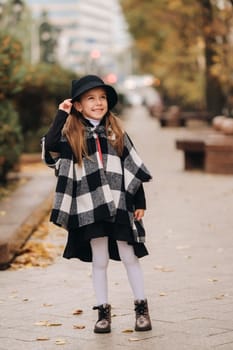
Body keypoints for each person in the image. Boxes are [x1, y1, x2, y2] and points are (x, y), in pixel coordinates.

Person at [42, 75, 152, 334]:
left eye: (102, 97)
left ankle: (142, 309)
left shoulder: (117, 133)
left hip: (121, 203)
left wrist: (140, 201)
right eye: (91, 98)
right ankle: (103, 312)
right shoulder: (72, 137)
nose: (98, 102)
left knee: (129, 256)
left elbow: (132, 168)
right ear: (78, 105)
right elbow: (49, 150)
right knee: (99, 259)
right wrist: (61, 115)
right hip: (90, 206)